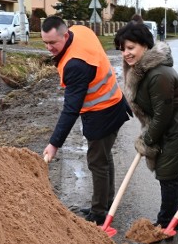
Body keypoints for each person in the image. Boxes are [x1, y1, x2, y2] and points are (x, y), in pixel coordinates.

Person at [41, 16, 130, 225]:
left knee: (97, 162)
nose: (49, 48)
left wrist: (54, 144)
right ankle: (107, 201)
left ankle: (99, 214)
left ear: (65, 35)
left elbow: (71, 109)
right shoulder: (80, 30)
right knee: (104, 158)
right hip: (113, 101)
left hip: (102, 112)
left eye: (53, 43)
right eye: (45, 42)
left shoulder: (76, 65)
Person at [116, 22, 178, 229]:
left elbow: (163, 114)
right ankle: (171, 221)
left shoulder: (158, 74)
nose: (126, 53)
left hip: (177, 126)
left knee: (168, 174)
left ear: (144, 45)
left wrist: (147, 139)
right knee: (167, 174)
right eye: (123, 49)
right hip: (168, 123)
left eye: (130, 47)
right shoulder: (140, 69)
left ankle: (166, 224)